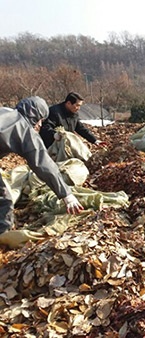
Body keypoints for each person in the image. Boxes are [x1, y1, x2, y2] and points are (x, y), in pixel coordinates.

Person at [0, 96, 84, 247]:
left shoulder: (6, 112)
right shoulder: (23, 128)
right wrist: (67, 195)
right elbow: (43, 164)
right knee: (3, 200)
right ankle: (3, 238)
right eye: (39, 120)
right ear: (33, 115)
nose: (39, 125)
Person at [39, 92, 107, 148]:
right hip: (52, 147)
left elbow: (81, 128)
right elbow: (46, 127)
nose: (78, 108)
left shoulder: (74, 114)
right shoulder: (54, 112)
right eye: (77, 105)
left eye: (80, 106)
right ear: (68, 103)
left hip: (66, 146)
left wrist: (94, 140)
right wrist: (55, 135)